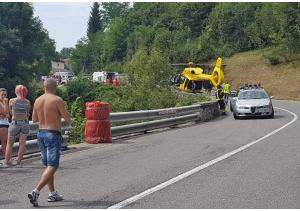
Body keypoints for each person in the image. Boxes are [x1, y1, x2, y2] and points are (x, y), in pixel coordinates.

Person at [28, 78, 71, 207]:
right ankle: (36, 191)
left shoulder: (37, 100)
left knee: (48, 166)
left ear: (44, 87)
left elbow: (35, 119)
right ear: (55, 87)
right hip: (52, 134)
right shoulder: (57, 100)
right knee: (53, 165)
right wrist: (64, 114)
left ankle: (53, 193)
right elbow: (68, 119)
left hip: (41, 133)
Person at [4, 85, 30, 167]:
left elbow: (10, 113)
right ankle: (18, 162)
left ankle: (7, 162)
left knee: (9, 144)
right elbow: (27, 113)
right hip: (25, 123)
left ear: (16, 91)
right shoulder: (27, 102)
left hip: (15, 123)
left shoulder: (12, 100)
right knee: (22, 144)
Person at [0, 88, 9, 157]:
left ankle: (7, 158)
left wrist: (4, 114)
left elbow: (8, 115)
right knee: (4, 142)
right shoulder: (4, 102)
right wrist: (6, 103)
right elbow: (4, 113)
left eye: (5, 94)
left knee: (7, 142)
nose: (4, 96)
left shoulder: (5, 102)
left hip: (6, 123)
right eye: (2, 94)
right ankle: (7, 159)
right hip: (1, 124)